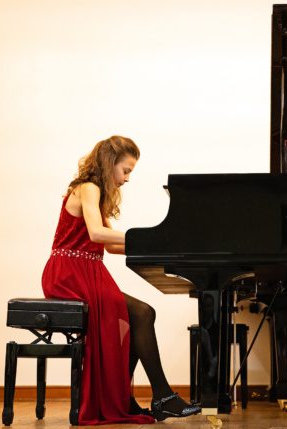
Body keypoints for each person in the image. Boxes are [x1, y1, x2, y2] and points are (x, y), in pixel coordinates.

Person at [42, 136, 201, 424]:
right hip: (69, 272)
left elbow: (113, 246)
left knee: (143, 313)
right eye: (126, 170)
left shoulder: (96, 194)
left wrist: (159, 245)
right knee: (141, 312)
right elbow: (96, 235)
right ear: (109, 163)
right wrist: (152, 237)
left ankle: (129, 398)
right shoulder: (87, 187)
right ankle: (161, 397)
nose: (127, 179)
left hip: (86, 270)